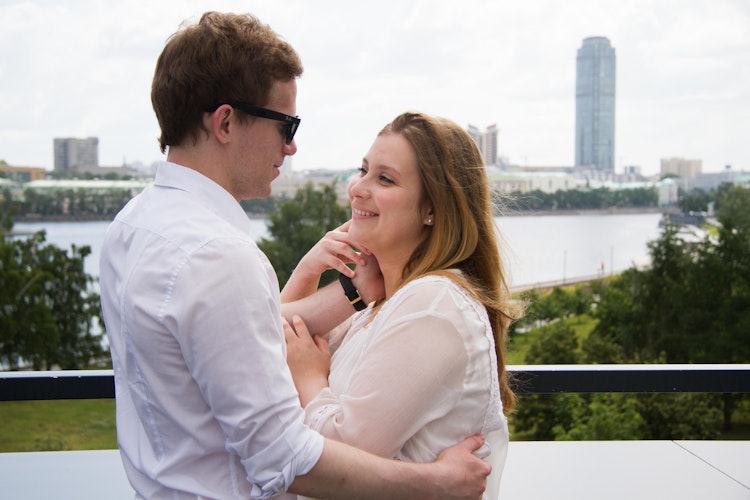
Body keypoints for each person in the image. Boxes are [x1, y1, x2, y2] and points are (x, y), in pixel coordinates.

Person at [99, 11, 491, 500]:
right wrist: (434, 483)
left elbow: (245, 338)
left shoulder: (131, 226)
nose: (292, 147)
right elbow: (283, 457)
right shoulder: (219, 256)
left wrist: (345, 290)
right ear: (226, 122)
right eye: (286, 125)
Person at [282, 112, 519, 499]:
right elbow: (272, 343)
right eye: (363, 170)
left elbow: (343, 456)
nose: (358, 188)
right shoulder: (383, 303)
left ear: (432, 209)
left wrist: (310, 379)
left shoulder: (433, 305)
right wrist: (313, 271)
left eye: (385, 179)